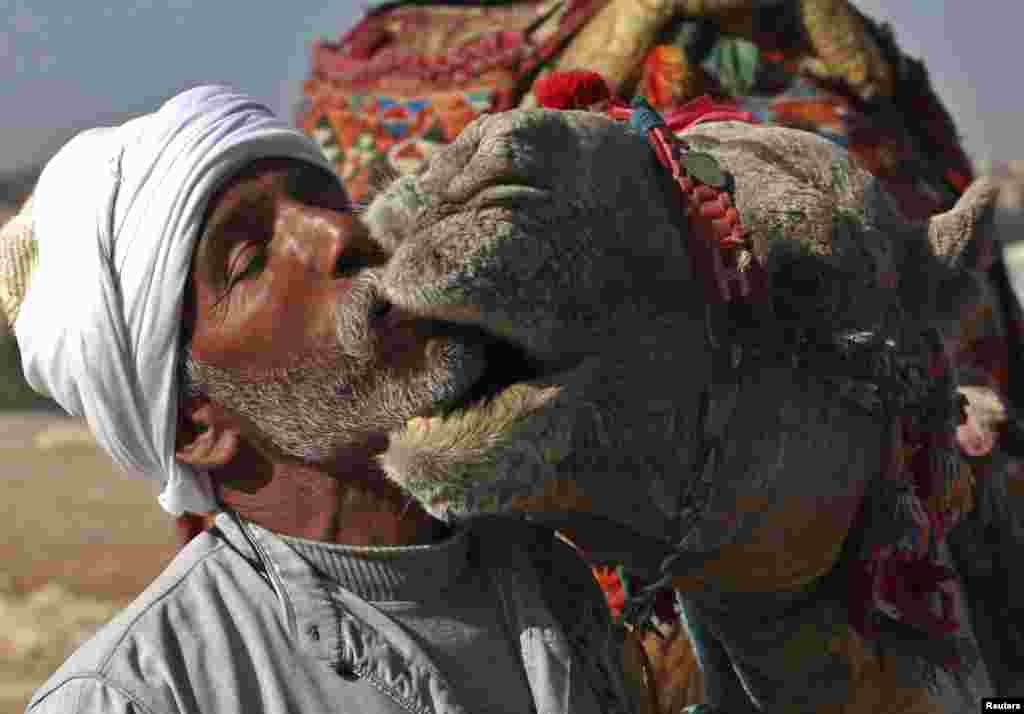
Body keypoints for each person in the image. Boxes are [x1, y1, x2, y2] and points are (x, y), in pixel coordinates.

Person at [3, 86, 634, 714]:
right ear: (194, 424)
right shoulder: (139, 698)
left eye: (328, 202)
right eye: (250, 258)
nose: (342, 232)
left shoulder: (553, 581)